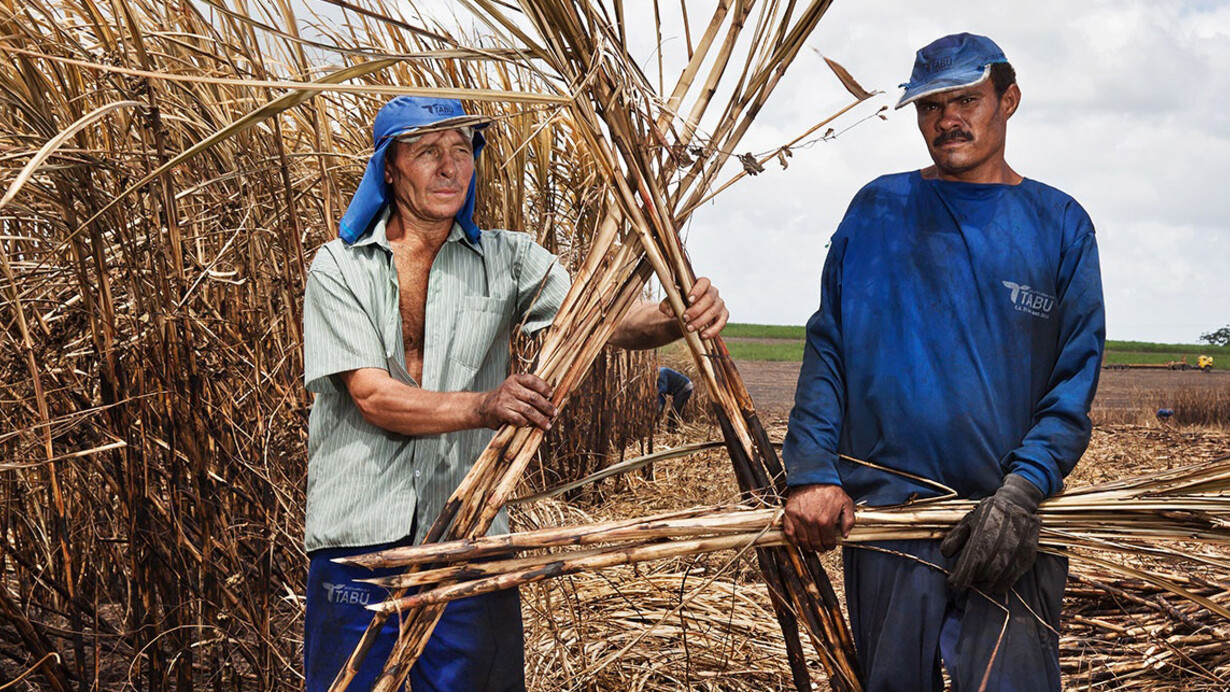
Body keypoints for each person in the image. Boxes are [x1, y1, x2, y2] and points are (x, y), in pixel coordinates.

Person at [301, 96, 729, 691]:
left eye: (462, 150)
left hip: (469, 528)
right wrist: (483, 404)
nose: (451, 167)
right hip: (359, 537)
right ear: (389, 168)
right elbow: (373, 396)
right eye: (428, 152)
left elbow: (604, 320)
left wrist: (676, 313)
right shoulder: (340, 268)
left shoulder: (508, 259)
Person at [780, 33, 1105, 691]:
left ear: (1008, 100)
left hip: (1007, 522)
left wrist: (1022, 493)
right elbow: (829, 348)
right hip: (890, 519)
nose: (946, 119)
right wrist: (811, 471)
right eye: (930, 105)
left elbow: (1074, 382)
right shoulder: (878, 210)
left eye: (966, 99)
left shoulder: (1058, 224)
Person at [656, 366, 694, 430]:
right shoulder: (659, 372)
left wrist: (659, 409)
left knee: (675, 412)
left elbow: (662, 392)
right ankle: (674, 429)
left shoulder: (660, 373)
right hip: (679, 390)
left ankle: (672, 431)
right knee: (676, 410)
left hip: (684, 387)